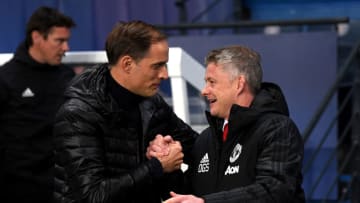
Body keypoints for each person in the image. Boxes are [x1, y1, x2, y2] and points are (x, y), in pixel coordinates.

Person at [53, 20, 198, 203]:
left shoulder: (153, 104)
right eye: (157, 66)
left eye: (165, 65)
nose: (164, 75)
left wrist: (172, 152)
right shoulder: (77, 114)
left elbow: (198, 149)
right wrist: (157, 166)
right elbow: (92, 196)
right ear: (127, 64)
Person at [159, 45, 305, 202]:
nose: (204, 91)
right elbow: (189, 196)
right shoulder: (206, 138)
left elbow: (274, 191)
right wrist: (166, 167)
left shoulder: (278, 129)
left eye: (212, 82)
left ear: (239, 84)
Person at [0, 6, 76, 203]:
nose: (66, 48)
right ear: (37, 37)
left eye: (67, 41)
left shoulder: (67, 77)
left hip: (63, 187)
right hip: (17, 188)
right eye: (59, 41)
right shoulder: (7, 78)